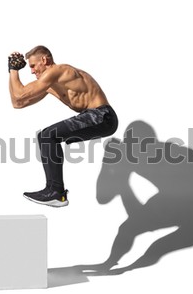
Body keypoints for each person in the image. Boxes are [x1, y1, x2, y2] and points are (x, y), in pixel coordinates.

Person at [8, 45, 118, 207]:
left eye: (33, 66)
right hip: (95, 117)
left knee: (47, 135)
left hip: (102, 116)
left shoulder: (58, 71)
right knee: (46, 136)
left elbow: (21, 93)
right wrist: (11, 71)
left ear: (44, 60)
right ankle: (55, 192)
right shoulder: (50, 84)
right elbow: (17, 102)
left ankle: (55, 191)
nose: (31, 71)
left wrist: (14, 70)